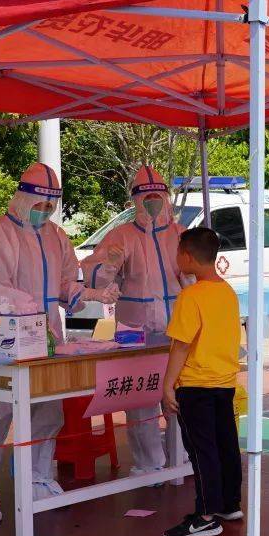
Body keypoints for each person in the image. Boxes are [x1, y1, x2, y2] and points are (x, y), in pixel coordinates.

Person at [0, 163, 120, 526]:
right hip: (2, 337)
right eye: (39, 203)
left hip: (47, 337)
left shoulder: (57, 237)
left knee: (48, 410)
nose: (44, 211)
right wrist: (25, 308)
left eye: (51, 205)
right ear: (22, 196)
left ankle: (38, 480)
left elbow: (66, 286)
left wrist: (94, 292)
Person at [80, 165, 185, 478]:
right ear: (135, 200)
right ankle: (148, 464)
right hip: (135, 330)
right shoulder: (121, 235)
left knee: (179, 397)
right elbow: (94, 275)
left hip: (177, 330)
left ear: (166, 197)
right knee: (141, 400)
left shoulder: (180, 235)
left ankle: (181, 459)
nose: (152, 202)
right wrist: (110, 264)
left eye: (157, 196)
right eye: (145, 197)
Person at [161, 228, 242, 536]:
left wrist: (168, 385)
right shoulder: (227, 292)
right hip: (224, 382)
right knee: (225, 444)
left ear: (188, 256)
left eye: (177, 250)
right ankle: (229, 503)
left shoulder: (191, 296)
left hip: (195, 384)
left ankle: (206, 515)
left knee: (201, 450)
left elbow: (181, 345)